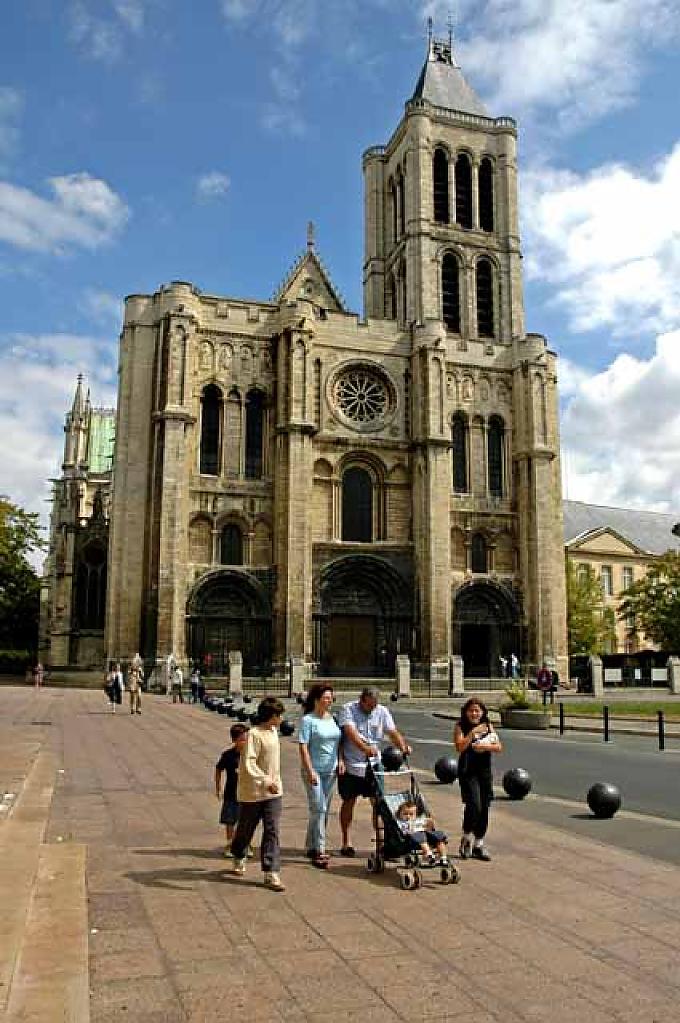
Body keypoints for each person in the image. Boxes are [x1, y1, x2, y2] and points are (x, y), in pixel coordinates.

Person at [337, 686, 411, 857]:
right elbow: (351, 733)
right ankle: (346, 841)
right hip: (353, 764)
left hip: (374, 765)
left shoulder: (382, 711)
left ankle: (381, 842)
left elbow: (392, 732)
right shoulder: (348, 709)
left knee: (378, 804)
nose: (372, 709)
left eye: (374, 705)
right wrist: (364, 748)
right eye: (369, 705)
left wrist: (403, 747)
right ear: (361, 700)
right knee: (349, 801)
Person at [230, 696, 286, 892]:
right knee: (246, 829)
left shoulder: (274, 732)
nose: (281, 719)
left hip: (273, 792)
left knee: (272, 830)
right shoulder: (254, 734)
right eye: (279, 715)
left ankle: (271, 871)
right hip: (253, 792)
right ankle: (238, 853)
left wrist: (274, 782)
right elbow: (249, 763)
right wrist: (265, 781)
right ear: (271, 716)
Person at [298, 684, 343, 869]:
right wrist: (310, 771)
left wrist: (341, 760)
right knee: (319, 808)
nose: (329, 701)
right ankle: (320, 849)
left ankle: (311, 844)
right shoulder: (308, 720)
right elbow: (303, 747)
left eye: (331, 698)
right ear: (316, 700)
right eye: (325, 698)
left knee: (321, 810)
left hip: (330, 771)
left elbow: (338, 741)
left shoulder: (333, 719)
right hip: (313, 770)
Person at [454, 698, 502, 861]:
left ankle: (479, 844)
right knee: (474, 804)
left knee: (485, 807)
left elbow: (498, 746)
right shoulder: (461, 726)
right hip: (468, 770)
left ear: (483, 712)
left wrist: (485, 747)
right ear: (466, 712)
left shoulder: (488, 725)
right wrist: (473, 734)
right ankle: (466, 837)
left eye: (477, 711)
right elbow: (459, 746)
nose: (474, 713)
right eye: (471, 710)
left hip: (484, 771)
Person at [215, 723, 249, 854]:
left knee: (245, 822)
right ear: (234, 740)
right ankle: (230, 844)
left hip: (247, 793)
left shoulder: (251, 755)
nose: (245, 742)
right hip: (231, 793)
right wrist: (218, 787)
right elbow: (218, 769)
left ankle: (245, 845)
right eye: (242, 739)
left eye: (247, 739)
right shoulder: (228, 755)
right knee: (230, 821)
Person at [395, 799, 448, 864]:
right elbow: (403, 832)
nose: (408, 816)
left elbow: (429, 827)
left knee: (439, 835)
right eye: (405, 814)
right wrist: (409, 828)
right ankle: (428, 854)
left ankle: (443, 857)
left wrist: (430, 823)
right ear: (399, 814)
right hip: (412, 839)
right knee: (419, 835)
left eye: (411, 814)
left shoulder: (419, 820)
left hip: (425, 835)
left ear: (415, 815)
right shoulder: (400, 822)